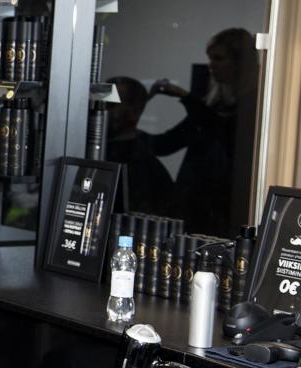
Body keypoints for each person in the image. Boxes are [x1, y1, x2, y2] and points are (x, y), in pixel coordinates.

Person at [149, 28, 259, 236]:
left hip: (224, 207)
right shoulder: (213, 106)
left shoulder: (252, 107)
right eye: (211, 59)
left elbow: (226, 133)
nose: (212, 67)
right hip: (193, 203)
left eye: (219, 58)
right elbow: (167, 143)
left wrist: (186, 97)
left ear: (240, 62)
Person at [104, 76, 175, 215]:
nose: (100, 111)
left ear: (134, 112)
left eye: (110, 105)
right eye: (99, 103)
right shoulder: (89, 150)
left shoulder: (142, 167)